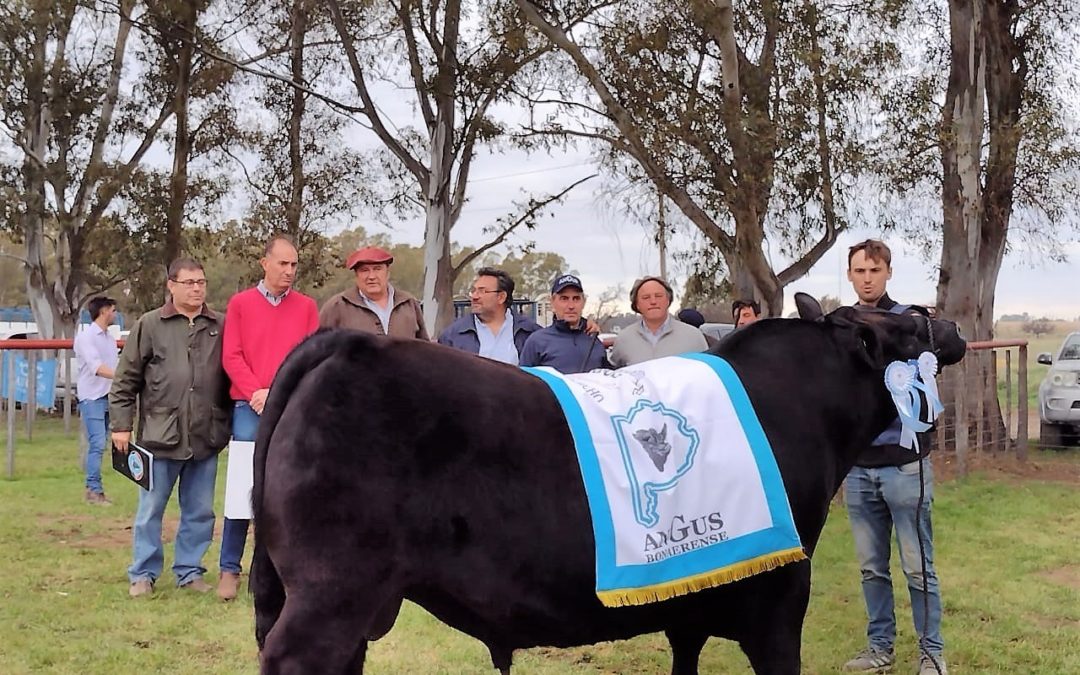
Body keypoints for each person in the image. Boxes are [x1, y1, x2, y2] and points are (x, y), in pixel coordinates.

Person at [842, 239, 947, 675]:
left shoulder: (910, 323)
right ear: (850, 275)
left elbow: (947, 350)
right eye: (859, 271)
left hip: (905, 465)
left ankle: (932, 654)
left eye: (874, 270)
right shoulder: (841, 324)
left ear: (888, 273)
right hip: (858, 467)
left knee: (918, 567)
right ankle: (879, 648)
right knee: (871, 568)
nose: (867, 279)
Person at [110, 259, 231, 598]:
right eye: (189, 282)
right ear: (171, 286)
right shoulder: (150, 324)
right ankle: (143, 573)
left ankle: (189, 571)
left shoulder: (220, 325)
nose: (197, 289)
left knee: (200, 511)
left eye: (201, 282)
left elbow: (232, 374)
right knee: (151, 510)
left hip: (206, 435)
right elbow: (125, 380)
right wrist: (121, 426)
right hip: (159, 436)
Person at [217, 235, 319, 601]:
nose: (289, 271)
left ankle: (284, 573)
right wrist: (256, 393)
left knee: (289, 491)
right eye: (282, 263)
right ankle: (229, 568)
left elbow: (309, 357)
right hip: (250, 408)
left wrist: (277, 393)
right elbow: (232, 356)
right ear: (265, 263)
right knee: (241, 491)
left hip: (292, 407)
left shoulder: (307, 307)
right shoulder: (240, 304)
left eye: (294, 265)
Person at [319, 245, 429, 339]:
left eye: (377, 269)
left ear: (387, 273)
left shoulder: (409, 303)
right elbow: (319, 348)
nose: (371, 276)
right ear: (356, 276)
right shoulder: (337, 306)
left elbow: (425, 348)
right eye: (364, 270)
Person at [437, 267, 540, 364]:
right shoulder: (452, 335)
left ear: (501, 297)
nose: (474, 297)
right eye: (473, 291)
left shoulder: (530, 332)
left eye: (482, 291)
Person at [73, 296, 119, 505]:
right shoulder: (86, 337)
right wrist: (123, 377)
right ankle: (93, 490)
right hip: (92, 397)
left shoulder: (109, 338)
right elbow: (97, 368)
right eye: (113, 310)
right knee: (98, 443)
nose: (115, 314)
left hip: (108, 395)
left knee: (103, 443)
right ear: (103, 311)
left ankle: (95, 489)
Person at [609, 276, 708, 366]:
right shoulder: (623, 339)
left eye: (658, 296)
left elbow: (708, 373)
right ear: (637, 305)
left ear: (668, 300)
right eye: (646, 297)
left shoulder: (693, 336)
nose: (653, 301)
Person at [519, 274, 606, 373]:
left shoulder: (593, 340)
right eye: (564, 298)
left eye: (576, 298)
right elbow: (522, 380)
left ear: (584, 302)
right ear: (552, 302)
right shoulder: (537, 342)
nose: (571, 306)